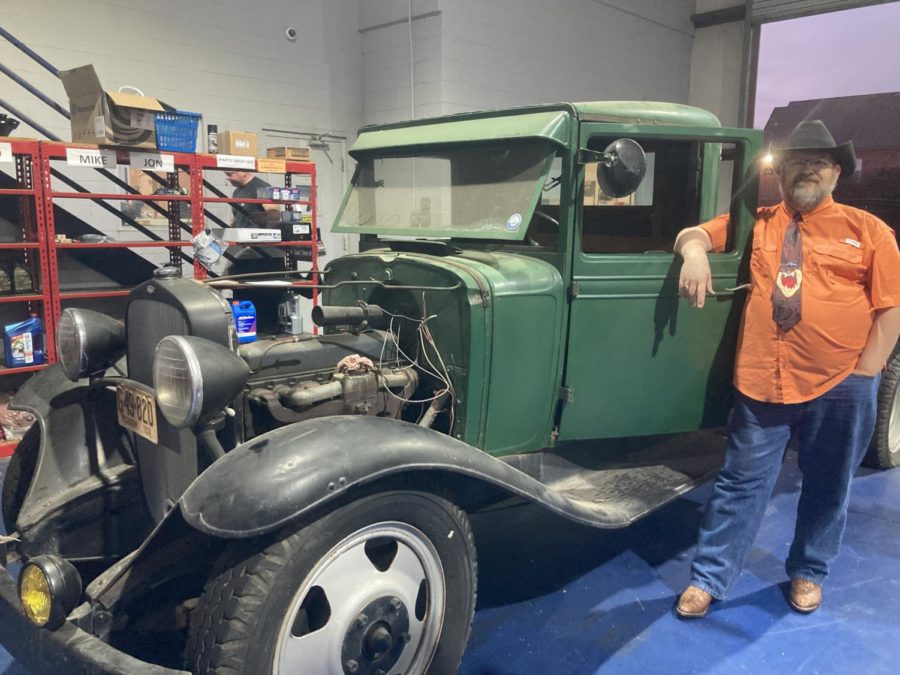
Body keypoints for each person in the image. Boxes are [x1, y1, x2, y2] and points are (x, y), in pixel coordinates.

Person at [673, 120, 900, 618]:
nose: (808, 168)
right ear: (782, 171)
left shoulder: (869, 232)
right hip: (763, 378)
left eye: (820, 161)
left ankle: (808, 571)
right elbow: (693, 233)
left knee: (829, 480)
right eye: (798, 160)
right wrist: (693, 253)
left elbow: (890, 307)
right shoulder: (755, 219)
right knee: (740, 483)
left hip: (843, 382)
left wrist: (866, 373)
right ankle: (709, 579)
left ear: (837, 172)